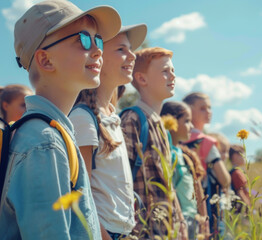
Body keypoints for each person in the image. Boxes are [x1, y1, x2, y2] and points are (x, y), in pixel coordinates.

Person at [0, 1, 121, 239]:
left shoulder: (53, 133)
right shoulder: (44, 143)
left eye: (99, 40)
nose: (97, 50)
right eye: (83, 39)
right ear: (46, 61)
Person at [69, 24, 147, 240]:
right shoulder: (83, 118)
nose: (132, 56)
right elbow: (81, 194)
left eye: (130, 49)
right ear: (98, 58)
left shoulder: (112, 117)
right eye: (121, 50)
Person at [120, 47, 187, 239]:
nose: (172, 76)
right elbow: (121, 182)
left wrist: (179, 223)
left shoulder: (162, 128)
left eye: (173, 71)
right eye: (165, 71)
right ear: (142, 79)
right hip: (143, 230)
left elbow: (168, 184)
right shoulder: (133, 119)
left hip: (166, 229)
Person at [182, 92, 231, 236]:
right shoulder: (206, 142)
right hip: (207, 206)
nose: (208, 112)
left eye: (209, 108)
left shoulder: (176, 139)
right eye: (202, 108)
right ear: (188, 110)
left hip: (184, 204)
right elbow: (225, 179)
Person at [160, 101, 208, 239]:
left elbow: (198, 190)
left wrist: (204, 220)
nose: (191, 126)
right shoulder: (166, 155)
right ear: (171, 122)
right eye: (187, 121)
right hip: (178, 220)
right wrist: (180, 221)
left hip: (193, 218)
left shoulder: (185, 155)